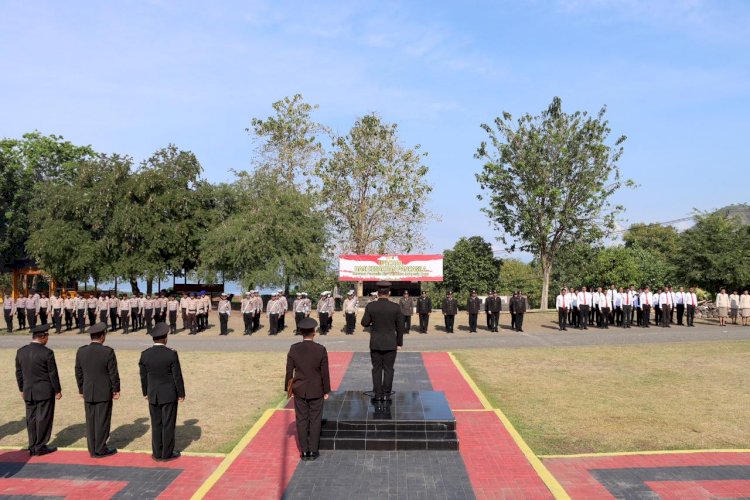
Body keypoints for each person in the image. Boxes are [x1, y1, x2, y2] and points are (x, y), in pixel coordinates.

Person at [285, 317, 330, 461]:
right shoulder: (320, 349)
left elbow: (289, 371)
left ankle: (304, 451)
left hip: (299, 389)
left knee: (302, 420)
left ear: (301, 333)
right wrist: (326, 390)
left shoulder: (294, 348)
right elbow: (324, 372)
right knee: (315, 420)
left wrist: (289, 389)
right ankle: (313, 451)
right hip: (317, 389)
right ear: (314, 332)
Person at [139, 323, 185, 462]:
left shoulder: (145, 354)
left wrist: (145, 392)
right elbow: (177, 375)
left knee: (156, 423)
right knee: (168, 423)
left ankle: (157, 452)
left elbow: (143, 376)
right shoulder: (171, 354)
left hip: (153, 394)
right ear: (165, 338)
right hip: (169, 394)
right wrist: (181, 393)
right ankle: (167, 453)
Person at [15, 323, 62, 456]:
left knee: (31, 419)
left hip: (28, 390)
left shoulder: (21, 351)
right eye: (47, 336)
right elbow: (52, 374)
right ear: (42, 337)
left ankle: (32, 445)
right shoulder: (47, 352)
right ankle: (40, 446)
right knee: (44, 418)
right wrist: (57, 390)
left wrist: (21, 389)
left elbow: (18, 372)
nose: (48, 339)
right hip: (44, 391)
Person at [74, 322, 120, 458]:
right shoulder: (107, 351)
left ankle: (92, 448)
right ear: (102, 337)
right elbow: (113, 373)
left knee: (90, 421)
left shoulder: (81, 351)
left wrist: (81, 389)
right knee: (102, 421)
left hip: (88, 390)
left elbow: (78, 372)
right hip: (104, 391)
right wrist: (116, 389)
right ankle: (100, 448)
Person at [360, 281, 405, 401]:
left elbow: (364, 323)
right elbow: (401, 327)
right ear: (389, 293)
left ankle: (378, 393)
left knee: (377, 369)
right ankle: (386, 393)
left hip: (376, 342)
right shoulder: (395, 307)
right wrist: (399, 343)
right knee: (389, 369)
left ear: (378, 293)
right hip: (391, 343)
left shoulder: (371, 306)